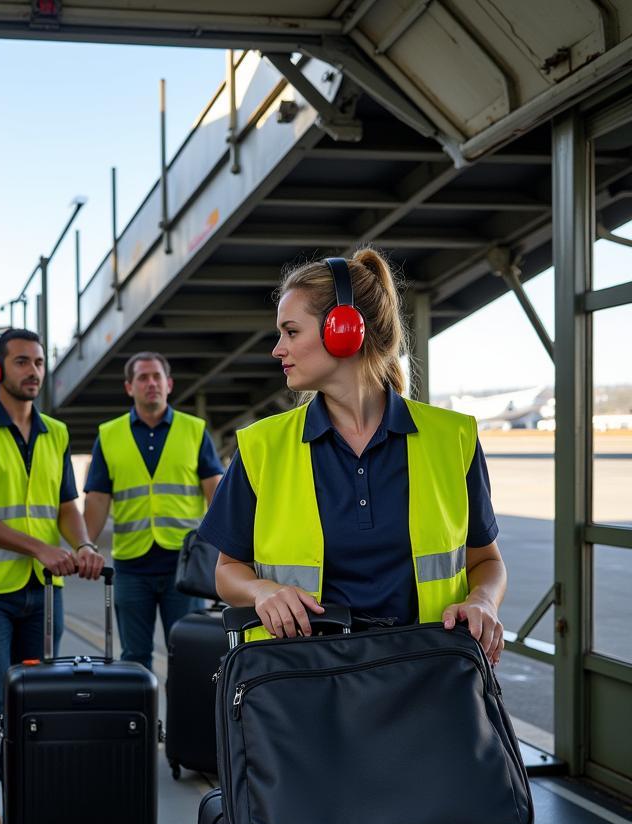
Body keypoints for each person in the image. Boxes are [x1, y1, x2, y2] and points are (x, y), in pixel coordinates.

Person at [198, 249, 506, 662]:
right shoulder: (261, 446)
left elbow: (486, 561)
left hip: (428, 678)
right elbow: (226, 571)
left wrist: (484, 601)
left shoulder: (454, 438)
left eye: (291, 332)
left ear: (344, 330)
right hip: (305, 684)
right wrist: (262, 591)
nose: (277, 349)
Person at [0, 328, 104, 824]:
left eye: (37, 362)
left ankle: (33, 782)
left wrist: (82, 545)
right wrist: (40, 548)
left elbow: (65, 507)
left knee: (37, 695)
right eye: (20, 362)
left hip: (43, 594)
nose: (32, 371)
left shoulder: (55, 433)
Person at [83, 351, 224, 671]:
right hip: (132, 567)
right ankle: (142, 722)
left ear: (169, 384)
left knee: (188, 656)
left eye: (156, 377)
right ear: (129, 387)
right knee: (133, 657)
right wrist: (86, 544)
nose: (151, 384)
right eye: (142, 378)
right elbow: (98, 498)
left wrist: (228, 549)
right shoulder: (109, 434)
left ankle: (184, 723)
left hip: (184, 568)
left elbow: (216, 491)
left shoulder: (194, 429)